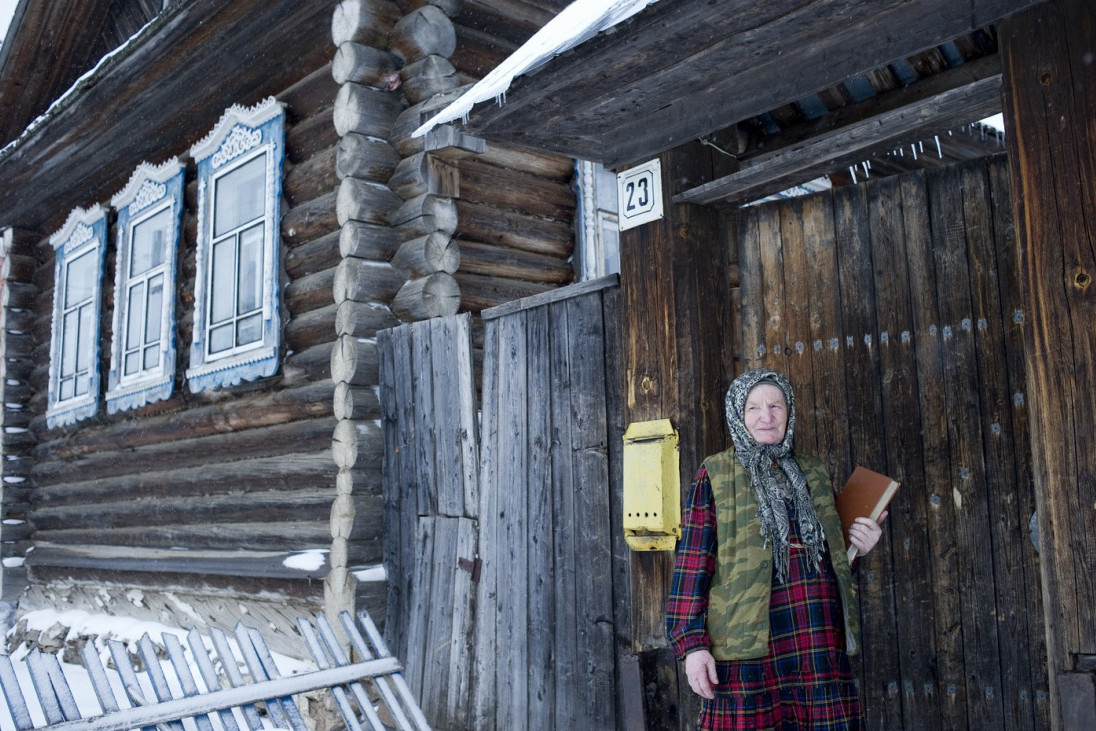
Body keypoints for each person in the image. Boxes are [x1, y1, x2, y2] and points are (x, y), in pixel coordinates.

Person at [666, 368, 886, 730]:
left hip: (815, 635)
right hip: (747, 644)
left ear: (789, 411)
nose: (766, 417)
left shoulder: (812, 471)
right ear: (738, 414)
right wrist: (691, 645)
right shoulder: (715, 473)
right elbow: (692, 566)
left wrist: (858, 549)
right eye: (753, 408)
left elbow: (829, 558)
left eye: (776, 406)